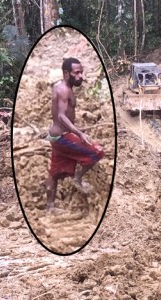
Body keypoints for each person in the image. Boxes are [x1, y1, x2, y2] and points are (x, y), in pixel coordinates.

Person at [45, 57, 104, 212]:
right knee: (96, 151)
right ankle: (77, 178)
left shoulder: (60, 86)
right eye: (76, 73)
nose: (80, 76)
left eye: (81, 73)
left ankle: (50, 207)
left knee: (55, 173)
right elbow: (61, 116)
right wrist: (79, 133)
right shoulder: (64, 90)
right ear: (66, 73)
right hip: (62, 137)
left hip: (55, 136)